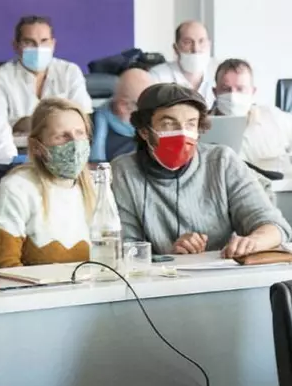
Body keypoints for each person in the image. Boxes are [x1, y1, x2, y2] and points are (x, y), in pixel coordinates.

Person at [111, 83, 291, 257]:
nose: (182, 132)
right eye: (168, 123)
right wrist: (172, 254)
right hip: (156, 282)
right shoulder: (123, 171)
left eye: (190, 124)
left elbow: (276, 227)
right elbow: (123, 250)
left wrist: (252, 242)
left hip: (224, 276)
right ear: (144, 131)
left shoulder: (222, 161)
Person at [0, 99, 95, 268]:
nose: (74, 144)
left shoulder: (96, 187)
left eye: (80, 133)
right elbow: (2, 266)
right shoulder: (15, 189)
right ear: (37, 146)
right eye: (61, 136)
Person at [0, 15, 93, 130]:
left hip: (64, 143)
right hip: (18, 146)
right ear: (16, 46)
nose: (38, 48)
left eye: (44, 41)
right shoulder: (1, 77)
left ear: (53, 44)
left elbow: (83, 115)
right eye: (29, 42)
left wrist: (30, 122)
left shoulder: (69, 71)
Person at [213, 58, 292, 166]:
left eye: (240, 89)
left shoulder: (276, 119)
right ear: (215, 92)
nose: (233, 95)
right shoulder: (200, 128)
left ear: (252, 92)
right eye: (226, 89)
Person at [90, 69, 154, 163]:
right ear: (123, 106)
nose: (154, 111)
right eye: (147, 106)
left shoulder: (157, 130)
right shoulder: (86, 129)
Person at [150, 21, 217, 107]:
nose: (196, 49)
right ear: (175, 48)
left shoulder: (218, 73)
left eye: (201, 41)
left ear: (209, 44)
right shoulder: (157, 76)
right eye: (188, 42)